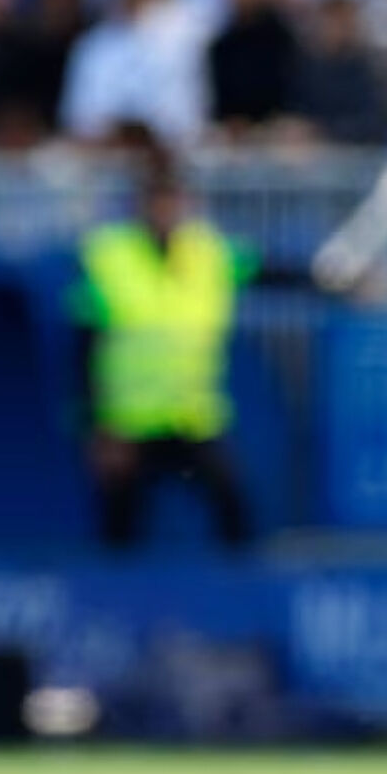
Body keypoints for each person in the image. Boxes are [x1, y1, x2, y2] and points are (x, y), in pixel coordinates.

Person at [73, 142, 253, 549]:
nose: (165, 211)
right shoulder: (108, 257)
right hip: (128, 424)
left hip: (192, 419)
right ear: (140, 205)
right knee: (119, 529)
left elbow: (267, 270)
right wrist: (98, 427)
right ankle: (113, 608)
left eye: (173, 201)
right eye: (156, 201)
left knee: (234, 508)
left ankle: (242, 602)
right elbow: (83, 347)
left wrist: (338, 280)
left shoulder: (209, 253)